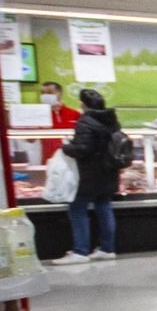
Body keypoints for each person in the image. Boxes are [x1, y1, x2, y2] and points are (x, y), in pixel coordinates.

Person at [52, 89, 122, 265]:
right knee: (104, 207)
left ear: (83, 104)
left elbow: (83, 149)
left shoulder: (85, 122)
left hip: (89, 174)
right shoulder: (111, 119)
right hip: (109, 172)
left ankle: (80, 251)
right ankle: (107, 249)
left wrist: (66, 147)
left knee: (77, 209)